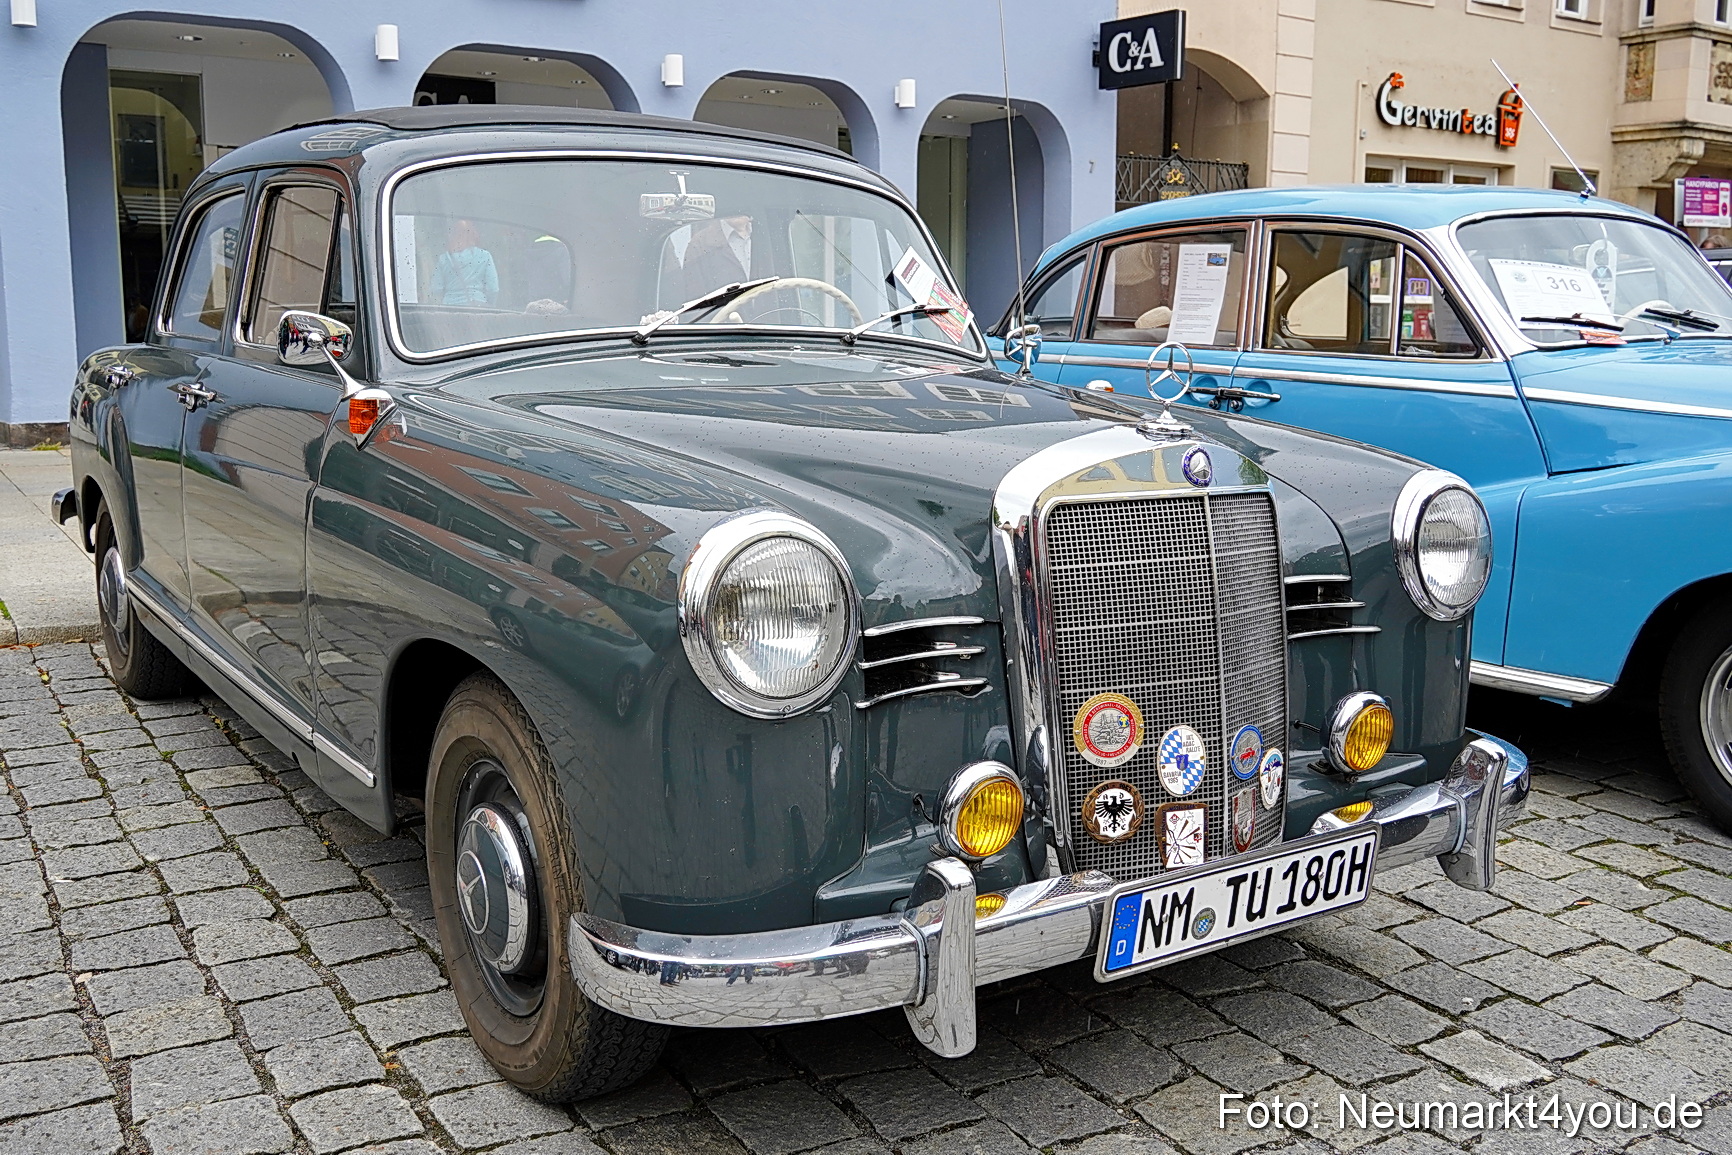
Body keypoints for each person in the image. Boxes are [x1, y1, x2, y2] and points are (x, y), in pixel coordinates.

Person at [428, 219, 499, 306]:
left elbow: (435, 289)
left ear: (453, 235)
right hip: (478, 308)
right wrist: (489, 305)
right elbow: (493, 289)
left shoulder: (443, 259)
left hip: (449, 309)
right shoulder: (484, 256)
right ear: (474, 234)